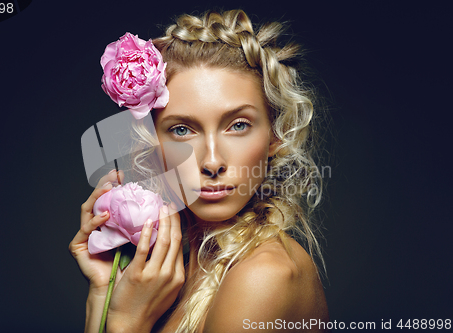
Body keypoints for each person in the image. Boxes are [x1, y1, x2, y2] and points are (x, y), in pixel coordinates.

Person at [70, 9, 329, 333]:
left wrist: (126, 323)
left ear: (275, 136)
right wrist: (102, 292)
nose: (211, 161)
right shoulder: (172, 276)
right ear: (153, 146)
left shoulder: (264, 275)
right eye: (182, 130)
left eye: (238, 125)